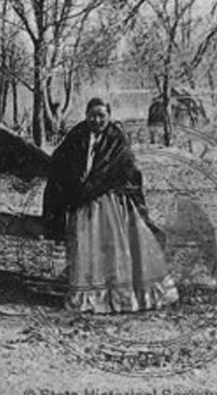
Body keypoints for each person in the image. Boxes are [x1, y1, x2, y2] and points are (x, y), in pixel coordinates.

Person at [42, 97, 179, 313]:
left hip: (110, 201)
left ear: (109, 116)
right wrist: (73, 186)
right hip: (82, 202)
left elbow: (128, 169)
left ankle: (119, 295)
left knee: (113, 247)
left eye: (101, 116)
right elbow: (60, 164)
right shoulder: (77, 136)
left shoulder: (117, 138)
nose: (97, 120)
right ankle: (89, 293)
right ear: (86, 115)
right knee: (86, 247)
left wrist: (105, 185)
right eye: (92, 115)